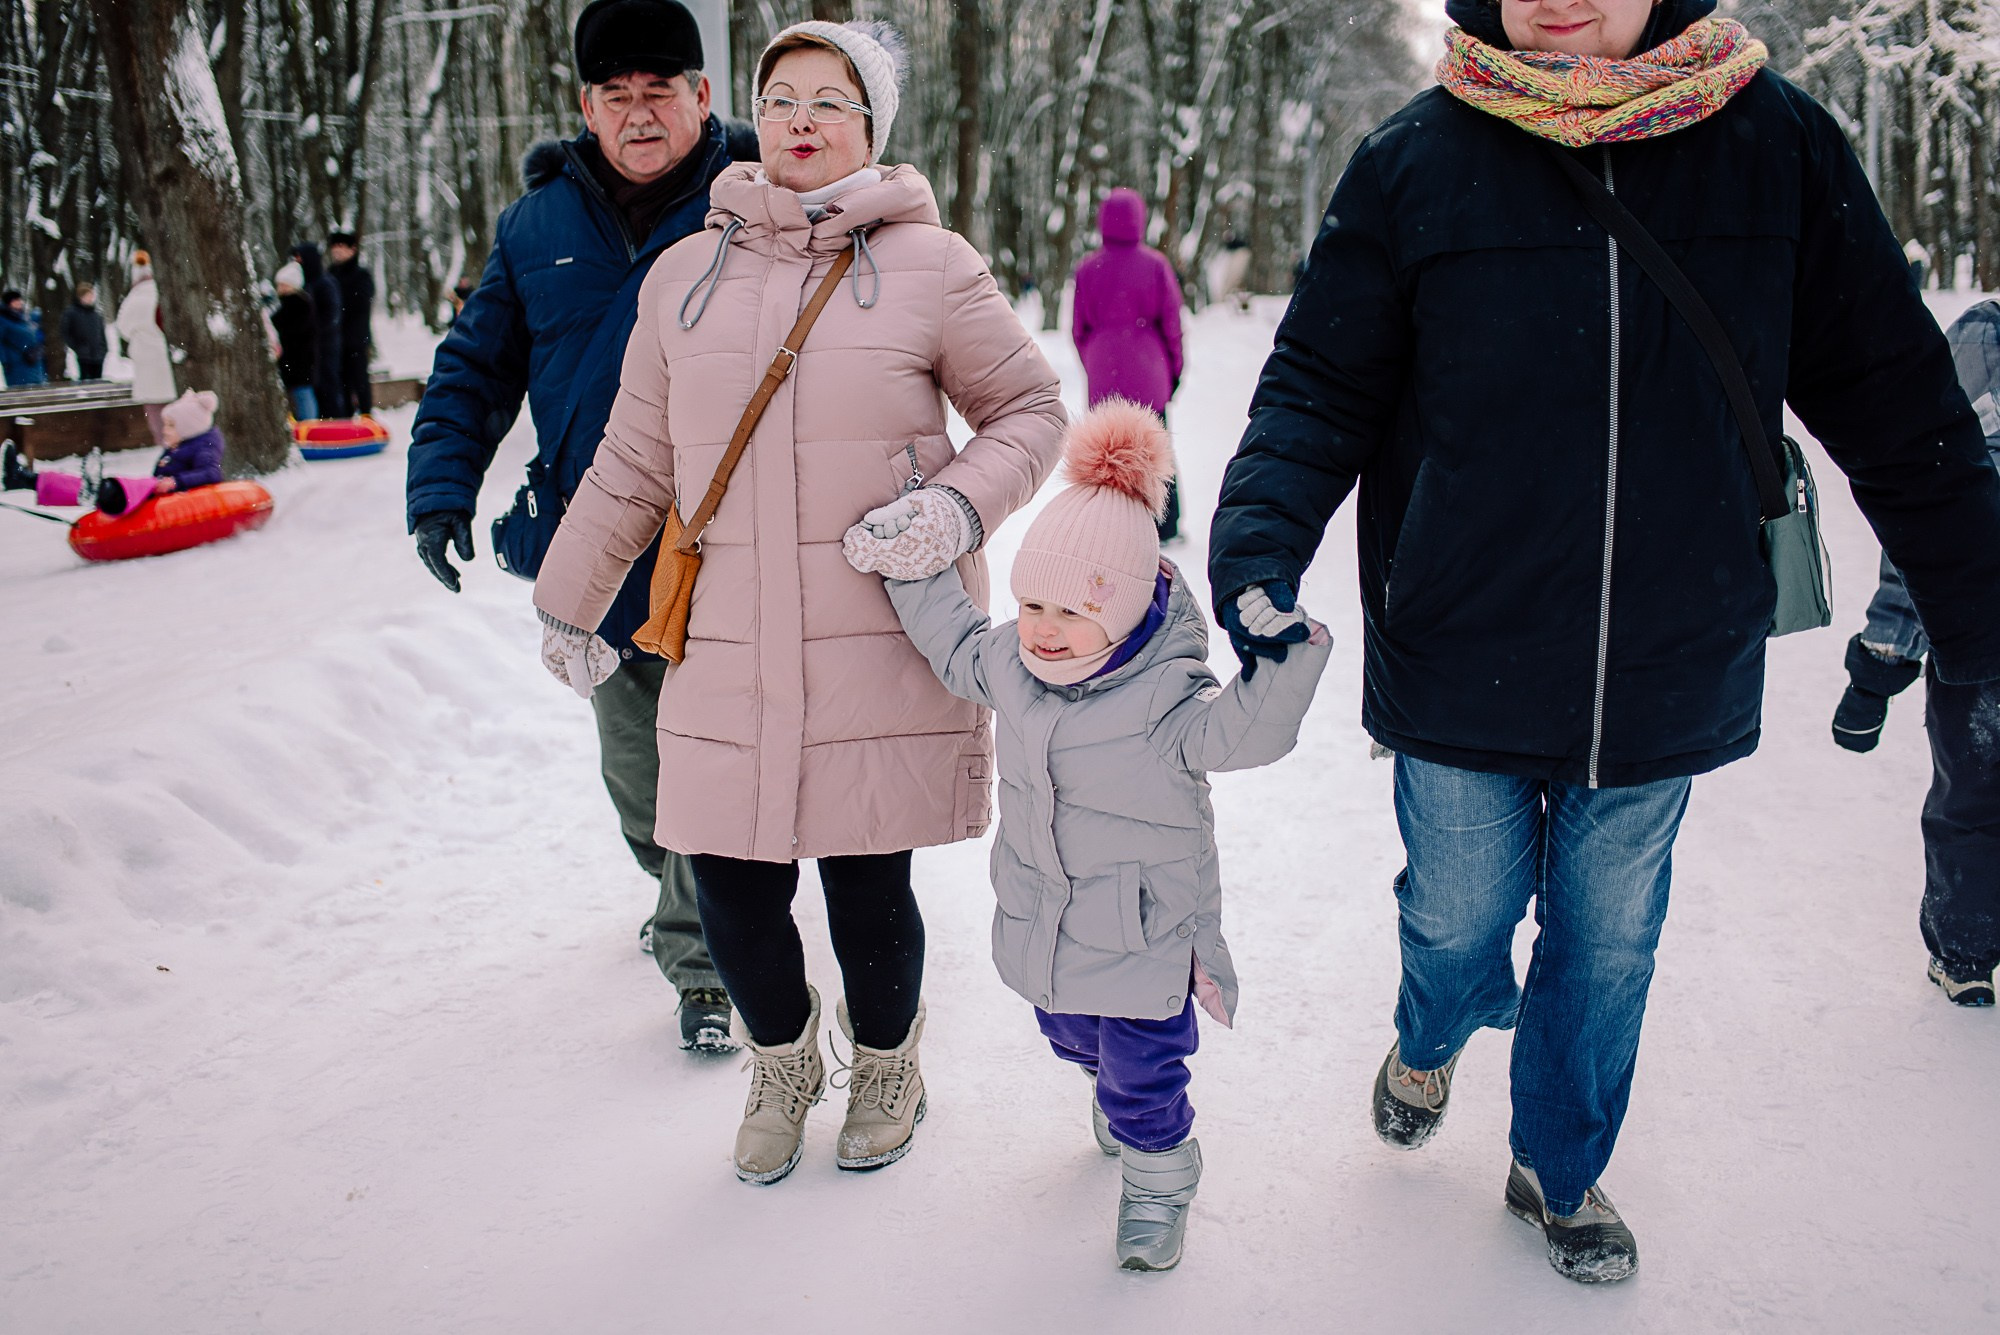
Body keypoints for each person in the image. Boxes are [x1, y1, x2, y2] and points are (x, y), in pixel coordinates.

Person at [1207, 0, 2000, 1285]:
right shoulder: (1417, 157)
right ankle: (1432, 1031)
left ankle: (1556, 1166)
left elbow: (1892, 392)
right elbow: (1318, 383)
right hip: (1458, 643)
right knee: (1455, 917)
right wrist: (1257, 546)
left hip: (1667, 654)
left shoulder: (1773, 146)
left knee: (1607, 939)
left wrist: (1974, 603)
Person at [530, 18, 1065, 1185]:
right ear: (751, 118)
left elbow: (1029, 411)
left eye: (831, 101)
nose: (802, 121)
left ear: (871, 127)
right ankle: (781, 1060)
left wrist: (955, 508)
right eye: (782, 100)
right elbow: (632, 464)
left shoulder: (931, 266)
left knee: (866, 885)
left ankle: (885, 1064)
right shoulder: (681, 278)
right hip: (724, 642)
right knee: (727, 885)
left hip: (874, 634)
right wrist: (567, 603)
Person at [846, 400, 1330, 1270]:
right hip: (1048, 920)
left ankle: (1160, 1175)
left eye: (1070, 611)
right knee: (1068, 1033)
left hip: (1145, 934)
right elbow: (956, 643)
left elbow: (1246, 733)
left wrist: (1284, 661)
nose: (1043, 626)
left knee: (1143, 1077)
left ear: (1126, 608)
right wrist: (910, 567)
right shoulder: (1015, 663)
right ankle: (1113, 1093)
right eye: (1032, 602)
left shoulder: (1168, 697)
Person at [407, 0, 759, 1053]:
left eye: (660, 92)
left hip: (727, 541)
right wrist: (439, 488)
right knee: (637, 775)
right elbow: (476, 366)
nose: (639, 114)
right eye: (617, 95)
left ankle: (704, 961)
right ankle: (682, 882)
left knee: (708, 763)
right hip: (598, 547)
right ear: (585, 106)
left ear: (702, 95)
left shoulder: (756, 205)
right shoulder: (535, 228)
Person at [1830, 296, 2000, 1007]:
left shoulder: (1985, 337)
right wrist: (1883, 660)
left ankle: (1963, 951)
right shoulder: (1987, 341)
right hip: (1982, 630)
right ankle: (1965, 951)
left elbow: (1934, 504)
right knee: (1977, 792)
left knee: (1976, 797)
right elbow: (1937, 506)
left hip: (1979, 630)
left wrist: (1882, 661)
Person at [1071, 189, 1186, 541]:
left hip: (1104, 370)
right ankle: (1165, 522)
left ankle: (1110, 523)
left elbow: (1079, 329)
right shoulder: (1155, 265)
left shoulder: (1089, 268)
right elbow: (1172, 324)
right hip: (1149, 370)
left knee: (1107, 454)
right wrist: (1174, 370)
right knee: (1156, 448)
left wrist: (1095, 363)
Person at [5, 388, 224, 513]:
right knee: (97, 489)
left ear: (188, 428)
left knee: (104, 489)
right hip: (152, 494)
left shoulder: (204, 446)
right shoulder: (183, 445)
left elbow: (212, 473)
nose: (164, 430)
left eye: (170, 426)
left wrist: (176, 482)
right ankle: (28, 479)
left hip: (165, 499)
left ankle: (94, 488)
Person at [115, 251, 175, 446]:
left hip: (146, 366)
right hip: (167, 361)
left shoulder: (133, 299)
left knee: (156, 414)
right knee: (174, 411)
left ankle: (165, 447)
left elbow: (123, 327)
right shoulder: (164, 293)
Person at [290, 243, 343, 416]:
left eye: (300, 258)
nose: (297, 262)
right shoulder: (304, 284)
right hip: (311, 348)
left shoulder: (325, 283)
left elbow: (331, 314)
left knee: (328, 387)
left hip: (326, 346)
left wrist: (312, 329)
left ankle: (333, 420)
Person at [326, 232, 375, 417]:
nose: (337, 251)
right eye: (334, 246)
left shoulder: (361, 275)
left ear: (352, 249)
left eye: (341, 246)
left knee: (360, 380)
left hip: (355, 338)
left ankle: (366, 416)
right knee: (342, 382)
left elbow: (361, 302)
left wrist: (339, 304)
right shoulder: (330, 273)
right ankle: (345, 418)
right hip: (335, 339)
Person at [271, 261, 321, 421]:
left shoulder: (298, 304)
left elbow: (291, 329)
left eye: (283, 285)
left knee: (303, 394)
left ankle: (308, 425)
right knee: (301, 393)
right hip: (297, 359)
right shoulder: (294, 304)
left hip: (299, 359)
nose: (280, 288)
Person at [61, 284, 109, 381]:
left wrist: (104, 349)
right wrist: (78, 347)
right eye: (88, 295)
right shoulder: (71, 313)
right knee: (85, 382)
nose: (91, 298)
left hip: (98, 355)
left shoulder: (96, 314)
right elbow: (65, 332)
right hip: (83, 356)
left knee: (98, 382)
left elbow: (101, 333)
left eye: (92, 295)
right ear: (81, 296)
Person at [1, 289, 47, 387]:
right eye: (15, 300)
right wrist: (5, 361)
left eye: (19, 300)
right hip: (16, 364)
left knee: (36, 389)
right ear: (9, 303)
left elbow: (35, 335)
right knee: (21, 390)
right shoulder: (3, 319)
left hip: (33, 361)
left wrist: (38, 349)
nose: (19, 302)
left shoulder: (24, 318)